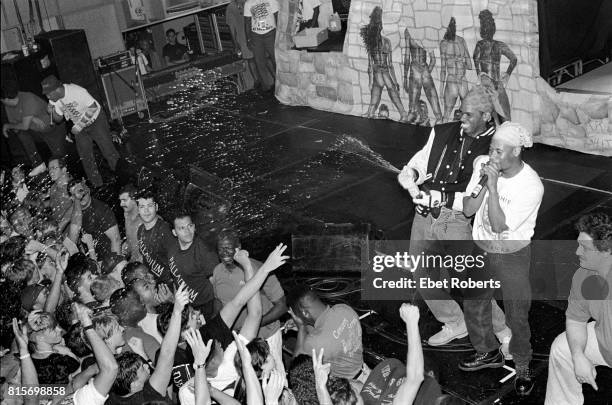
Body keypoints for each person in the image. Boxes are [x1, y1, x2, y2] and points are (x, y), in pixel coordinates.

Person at [397, 86, 509, 348]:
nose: (462, 119)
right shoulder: (442, 131)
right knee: (422, 272)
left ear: (486, 115)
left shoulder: (494, 148)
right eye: (461, 112)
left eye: (469, 115)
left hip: (455, 220)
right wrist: (412, 178)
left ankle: (502, 328)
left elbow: (471, 198)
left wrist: (437, 198)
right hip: (425, 214)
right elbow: (418, 163)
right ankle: (454, 322)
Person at [461, 122, 543, 397]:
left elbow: (498, 226)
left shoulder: (531, 185)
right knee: (474, 302)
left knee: (516, 314)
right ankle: (487, 351)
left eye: (499, 151)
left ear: (517, 151)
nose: (492, 156)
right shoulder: (484, 166)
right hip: (482, 248)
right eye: (491, 149)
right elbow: (468, 208)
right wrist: (484, 183)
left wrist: (494, 188)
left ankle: (522, 364)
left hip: (512, 255)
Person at [545, 212, 612, 405]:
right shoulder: (584, 275)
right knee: (562, 348)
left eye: (584, 248)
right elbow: (576, 320)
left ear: (606, 250)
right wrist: (578, 356)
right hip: (605, 341)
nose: (577, 252)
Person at [210, 229, 287, 376]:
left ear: (238, 247)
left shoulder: (259, 269)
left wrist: (257, 322)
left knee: (274, 375)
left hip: (266, 336)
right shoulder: (217, 271)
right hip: (237, 339)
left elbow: (282, 306)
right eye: (220, 248)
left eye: (228, 247)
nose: (224, 252)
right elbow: (218, 300)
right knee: (246, 377)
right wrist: (216, 324)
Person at [106, 284, 189, 404]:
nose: (143, 303)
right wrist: (176, 311)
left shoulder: (112, 399)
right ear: (134, 385)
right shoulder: (146, 341)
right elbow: (166, 356)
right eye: (138, 301)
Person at [41, 75, 119, 188]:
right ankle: (98, 185)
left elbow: (93, 107)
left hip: (96, 120)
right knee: (86, 157)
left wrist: (80, 125)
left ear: (57, 89)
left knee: (108, 151)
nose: (47, 96)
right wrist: (51, 112)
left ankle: (121, 176)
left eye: (49, 93)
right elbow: (58, 120)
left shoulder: (76, 91)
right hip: (80, 126)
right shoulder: (54, 99)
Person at [289, 285, 365, 381]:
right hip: (363, 369)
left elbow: (295, 370)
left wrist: (301, 328)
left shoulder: (315, 342)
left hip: (348, 386)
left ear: (305, 313)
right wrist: (306, 323)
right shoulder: (343, 308)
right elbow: (326, 330)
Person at [1, 82, 67, 177]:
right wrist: (29, 118)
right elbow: (17, 127)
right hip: (37, 132)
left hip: (52, 130)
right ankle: (38, 164)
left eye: (2, 100)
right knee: (21, 133)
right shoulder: (8, 107)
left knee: (60, 163)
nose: (2, 103)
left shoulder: (27, 98)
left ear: (6, 99)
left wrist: (7, 126)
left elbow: (24, 126)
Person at [360, 7, 409, 121]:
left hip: (377, 71)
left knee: (376, 93)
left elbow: (370, 65)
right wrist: (395, 81)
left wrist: (370, 80)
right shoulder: (386, 41)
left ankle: (370, 112)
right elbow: (390, 64)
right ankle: (403, 114)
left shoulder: (371, 43)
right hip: (385, 72)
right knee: (392, 92)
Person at [168, 212, 218, 319]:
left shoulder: (204, 251)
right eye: (181, 228)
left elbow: (217, 283)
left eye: (189, 226)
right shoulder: (172, 249)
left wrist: (216, 314)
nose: (187, 231)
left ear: (194, 226)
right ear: (174, 232)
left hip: (207, 307)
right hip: (187, 307)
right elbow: (176, 278)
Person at [473, 9, 517, 121]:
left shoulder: (485, 45)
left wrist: (481, 76)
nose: (486, 29)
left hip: (493, 85)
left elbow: (514, 59)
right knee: (501, 118)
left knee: (502, 118)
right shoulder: (488, 45)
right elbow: (513, 59)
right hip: (491, 85)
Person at [68, 178, 122, 259]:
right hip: (93, 258)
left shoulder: (101, 209)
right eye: (75, 195)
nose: (80, 196)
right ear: (72, 198)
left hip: (108, 258)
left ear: (88, 190)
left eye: (81, 191)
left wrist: (115, 263)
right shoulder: (75, 214)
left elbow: (116, 240)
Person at [404, 27, 443, 125]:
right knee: (438, 115)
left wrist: (405, 78)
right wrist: (426, 73)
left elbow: (407, 57)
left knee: (411, 112)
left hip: (415, 70)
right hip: (424, 70)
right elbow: (433, 60)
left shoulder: (408, 31)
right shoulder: (426, 31)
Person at [136, 188, 174, 284]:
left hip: (170, 283)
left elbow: (177, 261)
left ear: (156, 207)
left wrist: (173, 286)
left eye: (150, 206)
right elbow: (146, 259)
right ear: (137, 210)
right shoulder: (140, 231)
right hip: (155, 282)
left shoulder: (165, 230)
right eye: (142, 207)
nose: (146, 210)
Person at [439, 17, 472, 123]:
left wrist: (441, 87)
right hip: (462, 81)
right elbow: (469, 65)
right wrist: (460, 61)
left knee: (447, 115)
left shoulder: (444, 44)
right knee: (464, 115)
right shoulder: (461, 41)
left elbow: (443, 69)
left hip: (452, 80)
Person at [244, 0, 279, 93]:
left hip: (271, 33)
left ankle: (280, 83)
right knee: (259, 62)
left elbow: (277, 17)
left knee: (276, 59)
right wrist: (248, 39)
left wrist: (279, 34)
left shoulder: (272, 1)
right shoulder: (248, 3)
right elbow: (247, 22)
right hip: (256, 35)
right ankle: (266, 87)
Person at [226, 0, 259, 90]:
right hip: (246, 38)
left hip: (255, 35)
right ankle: (258, 83)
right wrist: (236, 45)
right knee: (252, 60)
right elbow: (232, 28)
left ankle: (260, 82)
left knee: (257, 60)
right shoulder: (232, 7)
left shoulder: (249, 3)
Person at [118, 184, 142, 262]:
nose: (121, 204)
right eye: (120, 201)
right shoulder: (127, 215)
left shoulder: (145, 220)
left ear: (134, 199)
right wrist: (124, 249)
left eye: (124, 200)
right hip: (132, 262)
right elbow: (130, 242)